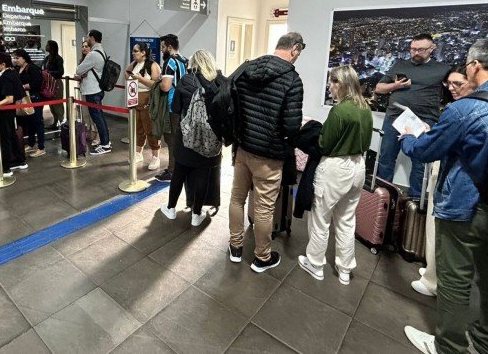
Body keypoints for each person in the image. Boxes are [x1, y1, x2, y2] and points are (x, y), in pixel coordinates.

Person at [398, 36, 488, 354]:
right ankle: (486, 346)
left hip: (466, 208)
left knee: (455, 279)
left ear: (475, 66)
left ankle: (449, 347)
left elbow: (428, 150)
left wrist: (407, 139)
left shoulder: (467, 108)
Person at [228, 32, 304, 273]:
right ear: (294, 49)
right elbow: (292, 127)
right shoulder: (292, 80)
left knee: (237, 198)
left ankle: (235, 247)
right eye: (299, 52)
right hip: (269, 155)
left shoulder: (248, 68)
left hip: (242, 148)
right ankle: (262, 257)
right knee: (263, 208)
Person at [297, 65, 373, 285]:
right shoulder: (364, 108)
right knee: (347, 219)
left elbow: (324, 144)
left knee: (321, 218)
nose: (330, 86)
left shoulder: (339, 111)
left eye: (333, 82)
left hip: (335, 168)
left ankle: (315, 264)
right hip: (358, 167)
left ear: (343, 84)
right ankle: (345, 269)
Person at [411, 65, 476, 297]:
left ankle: (433, 280)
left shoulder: (459, 111)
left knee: (438, 230)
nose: (452, 88)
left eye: (458, 84)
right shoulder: (484, 109)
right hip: (465, 185)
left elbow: (427, 150)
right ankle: (433, 272)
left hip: (450, 180)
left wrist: (410, 139)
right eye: (449, 84)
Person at [374, 34, 450, 197]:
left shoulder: (442, 69)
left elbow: (454, 92)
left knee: (420, 163)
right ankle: (383, 197)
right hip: (395, 117)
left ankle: (416, 199)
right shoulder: (400, 65)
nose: (415, 53)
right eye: (413, 49)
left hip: (425, 120)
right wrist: (395, 85)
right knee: (386, 157)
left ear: (432, 49)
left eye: (420, 50)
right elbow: (379, 88)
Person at [160, 50, 225, 226]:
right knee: (203, 174)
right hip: (211, 138)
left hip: (186, 136)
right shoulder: (220, 82)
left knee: (179, 173)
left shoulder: (186, 80)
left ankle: (171, 209)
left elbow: (175, 108)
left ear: (194, 63)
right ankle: (197, 215)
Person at [0, 51, 27, 177]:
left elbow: (9, 98)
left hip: (4, 112)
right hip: (6, 111)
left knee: (4, 138)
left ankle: (5, 168)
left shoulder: (7, 76)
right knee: (11, 135)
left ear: (3, 64)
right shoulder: (7, 74)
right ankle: (20, 160)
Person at [155, 34, 188, 181]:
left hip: (172, 106)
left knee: (171, 139)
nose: (161, 50)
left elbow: (166, 87)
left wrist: (160, 82)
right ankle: (180, 167)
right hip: (183, 105)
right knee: (180, 138)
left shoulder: (169, 62)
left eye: (163, 47)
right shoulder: (184, 60)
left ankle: (172, 171)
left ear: (169, 47)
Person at [126, 42, 162, 170]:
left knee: (150, 129)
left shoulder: (153, 65)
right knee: (138, 129)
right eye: (133, 51)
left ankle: (155, 156)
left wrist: (140, 79)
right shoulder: (135, 64)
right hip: (135, 100)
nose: (133, 53)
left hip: (148, 101)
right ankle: (138, 153)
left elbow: (156, 84)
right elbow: (126, 74)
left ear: (143, 52)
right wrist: (134, 62)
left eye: (136, 51)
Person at [74, 29, 111, 155]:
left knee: (98, 118)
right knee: (100, 117)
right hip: (97, 89)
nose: (87, 40)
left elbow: (78, 70)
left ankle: (105, 144)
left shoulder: (93, 54)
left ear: (92, 38)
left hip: (92, 90)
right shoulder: (102, 52)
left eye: (88, 38)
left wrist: (83, 72)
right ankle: (106, 142)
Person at [12, 49, 45, 158]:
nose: (15, 60)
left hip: (34, 98)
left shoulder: (32, 68)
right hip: (23, 99)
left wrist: (24, 86)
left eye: (17, 58)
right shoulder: (17, 69)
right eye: (14, 58)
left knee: (38, 122)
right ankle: (31, 143)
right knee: (29, 122)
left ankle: (41, 147)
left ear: (24, 57)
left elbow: (37, 83)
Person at [43, 39, 65, 127]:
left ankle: (61, 122)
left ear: (51, 47)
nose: (46, 47)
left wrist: (49, 72)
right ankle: (55, 121)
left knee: (58, 103)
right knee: (51, 103)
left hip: (56, 83)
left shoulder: (58, 58)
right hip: (49, 83)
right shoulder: (47, 58)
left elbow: (61, 71)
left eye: (47, 45)